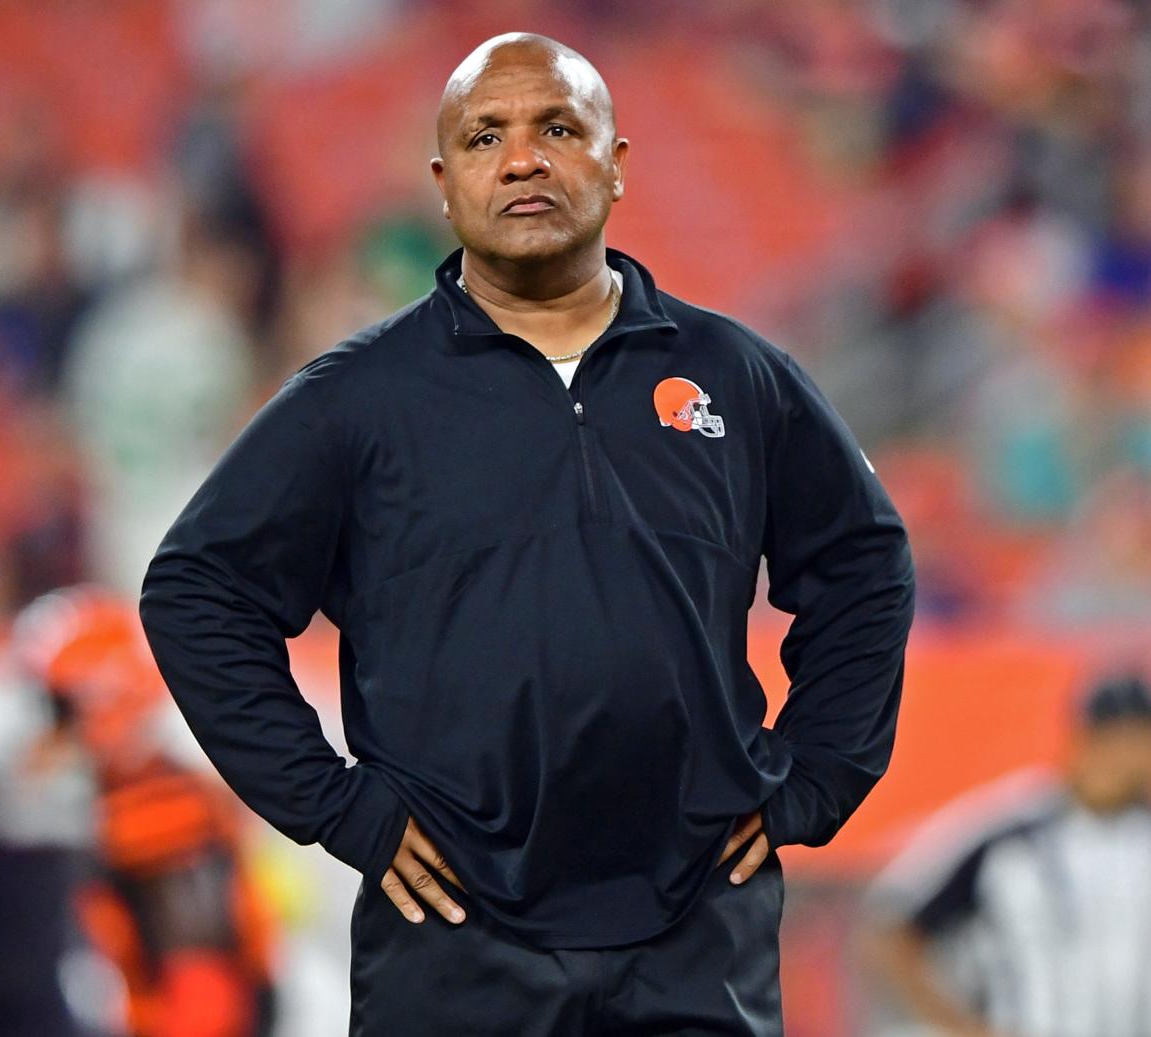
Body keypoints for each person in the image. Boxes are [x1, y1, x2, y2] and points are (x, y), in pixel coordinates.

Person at [140, 32, 915, 1035]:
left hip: (695, 932)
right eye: (483, 136)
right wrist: (336, 805)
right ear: (444, 182)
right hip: (453, 939)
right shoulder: (357, 398)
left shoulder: (736, 374)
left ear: (616, 164)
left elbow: (864, 562)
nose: (521, 159)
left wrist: (815, 779)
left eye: (558, 128)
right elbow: (198, 590)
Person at [14, 586, 278, 1037]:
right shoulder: (131, 792)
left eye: (59, 707)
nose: (50, 731)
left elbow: (201, 979)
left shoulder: (154, 807)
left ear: (100, 695)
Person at [861, 672, 1151, 1037]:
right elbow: (892, 930)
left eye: (1137, 742)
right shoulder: (1009, 834)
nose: (1125, 758)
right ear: (1083, 739)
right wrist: (965, 1027)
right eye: (1115, 741)